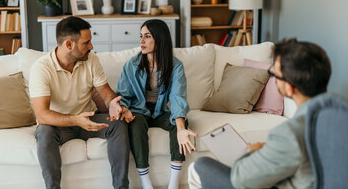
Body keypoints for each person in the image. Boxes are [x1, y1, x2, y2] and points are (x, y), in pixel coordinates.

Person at [188, 38, 332, 189]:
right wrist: (269, 149)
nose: (274, 79)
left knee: (198, 167)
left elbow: (241, 179)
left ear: (289, 88)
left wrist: (252, 153)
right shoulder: (337, 119)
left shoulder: (289, 132)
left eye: (274, 74)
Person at [29, 16, 130, 189]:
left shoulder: (91, 60)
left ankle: (121, 187)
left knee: (118, 124)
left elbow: (105, 92)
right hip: (57, 125)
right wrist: (75, 120)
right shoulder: (41, 68)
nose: (91, 47)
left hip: (89, 119)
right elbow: (42, 114)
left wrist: (113, 103)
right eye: (86, 43)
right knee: (44, 133)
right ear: (69, 45)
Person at [116, 19, 198, 189]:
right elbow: (123, 95)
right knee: (136, 123)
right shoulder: (131, 65)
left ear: (159, 39)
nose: (141, 41)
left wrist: (181, 128)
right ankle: (147, 184)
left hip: (160, 112)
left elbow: (177, 98)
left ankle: (173, 184)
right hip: (138, 112)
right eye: (141, 36)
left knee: (180, 123)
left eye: (147, 36)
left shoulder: (175, 67)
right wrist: (124, 109)